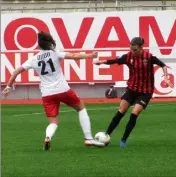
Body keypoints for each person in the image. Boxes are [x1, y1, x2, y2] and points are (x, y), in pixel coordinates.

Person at [2, 31, 105, 151]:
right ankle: (88, 138)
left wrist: (8, 86)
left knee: (53, 121)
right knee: (81, 107)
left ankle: (48, 137)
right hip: (62, 89)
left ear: (39, 45)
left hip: (47, 94)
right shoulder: (54, 53)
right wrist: (90, 56)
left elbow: (16, 71)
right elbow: (73, 56)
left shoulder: (34, 59)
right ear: (50, 42)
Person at [94, 37, 173, 147]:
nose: (132, 52)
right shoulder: (128, 57)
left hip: (145, 92)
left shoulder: (149, 57)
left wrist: (166, 78)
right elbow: (115, 60)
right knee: (121, 111)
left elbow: (163, 65)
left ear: (141, 48)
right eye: (131, 49)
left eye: (135, 50)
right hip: (132, 89)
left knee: (134, 113)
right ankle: (106, 135)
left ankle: (123, 140)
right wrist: (102, 62)